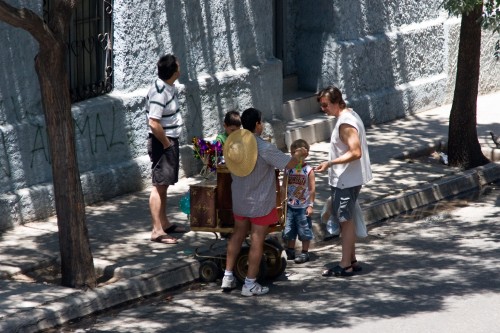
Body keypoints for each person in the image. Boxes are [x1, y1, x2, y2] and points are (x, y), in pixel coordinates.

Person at [221, 108, 307, 296]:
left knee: (237, 235)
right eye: (262, 122)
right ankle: (249, 284)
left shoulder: (233, 144)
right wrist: (299, 155)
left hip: (240, 200)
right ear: (258, 124)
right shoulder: (264, 147)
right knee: (257, 240)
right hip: (260, 202)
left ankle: (227, 276)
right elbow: (288, 164)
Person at [313, 86, 372, 277]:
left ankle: (345, 264)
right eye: (321, 105)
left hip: (345, 180)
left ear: (337, 102)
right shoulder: (349, 116)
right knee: (348, 218)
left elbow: (355, 152)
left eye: (325, 105)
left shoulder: (345, 123)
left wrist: (330, 163)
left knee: (344, 221)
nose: (323, 109)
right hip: (349, 179)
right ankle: (351, 259)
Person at [146, 54, 187, 245]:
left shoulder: (168, 87)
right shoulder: (159, 91)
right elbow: (153, 122)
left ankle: (164, 223)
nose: (180, 68)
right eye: (178, 66)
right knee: (158, 186)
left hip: (169, 140)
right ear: (174, 72)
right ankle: (157, 230)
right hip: (163, 142)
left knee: (164, 185)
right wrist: (166, 144)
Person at [283, 139, 316, 264]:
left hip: (303, 206)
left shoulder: (308, 170)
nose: (294, 157)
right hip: (290, 205)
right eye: (292, 154)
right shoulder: (288, 169)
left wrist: (310, 205)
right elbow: (284, 186)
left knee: (304, 229)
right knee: (289, 229)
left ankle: (304, 252)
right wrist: (283, 200)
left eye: (296, 154)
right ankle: (290, 250)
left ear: (305, 155)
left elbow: (312, 189)